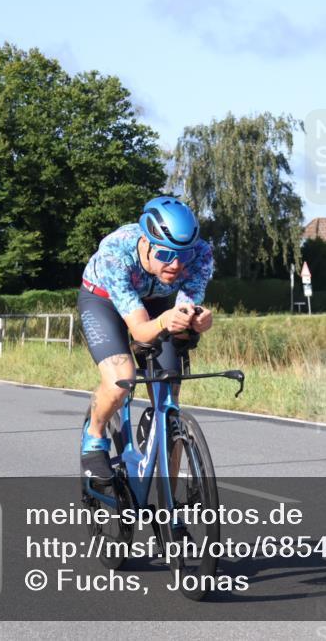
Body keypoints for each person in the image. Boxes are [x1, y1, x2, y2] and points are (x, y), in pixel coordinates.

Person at [77, 195, 214, 481]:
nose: (176, 264)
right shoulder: (116, 253)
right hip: (103, 300)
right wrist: (166, 320)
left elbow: (184, 311)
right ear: (146, 243)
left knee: (169, 399)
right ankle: (95, 436)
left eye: (183, 255)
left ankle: (170, 503)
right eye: (165, 254)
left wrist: (197, 319)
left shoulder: (201, 253)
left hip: (155, 301)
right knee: (120, 380)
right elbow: (140, 331)